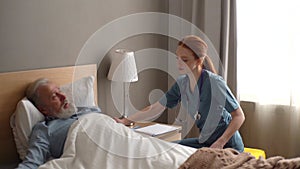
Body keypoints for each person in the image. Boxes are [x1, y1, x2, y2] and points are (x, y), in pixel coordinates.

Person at [115, 35, 245, 152]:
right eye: (177, 58)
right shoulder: (182, 83)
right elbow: (156, 107)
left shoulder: (214, 83)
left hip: (227, 145)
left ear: (199, 61)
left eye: (185, 60)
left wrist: (220, 142)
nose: (179, 63)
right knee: (167, 149)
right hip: (206, 142)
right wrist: (126, 120)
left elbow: (239, 116)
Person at [16, 78, 101, 169]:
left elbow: (108, 126)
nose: (63, 96)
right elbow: (31, 163)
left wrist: (117, 121)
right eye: (54, 96)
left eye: (59, 90)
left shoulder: (88, 109)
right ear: (43, 110)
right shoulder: (45, 129)